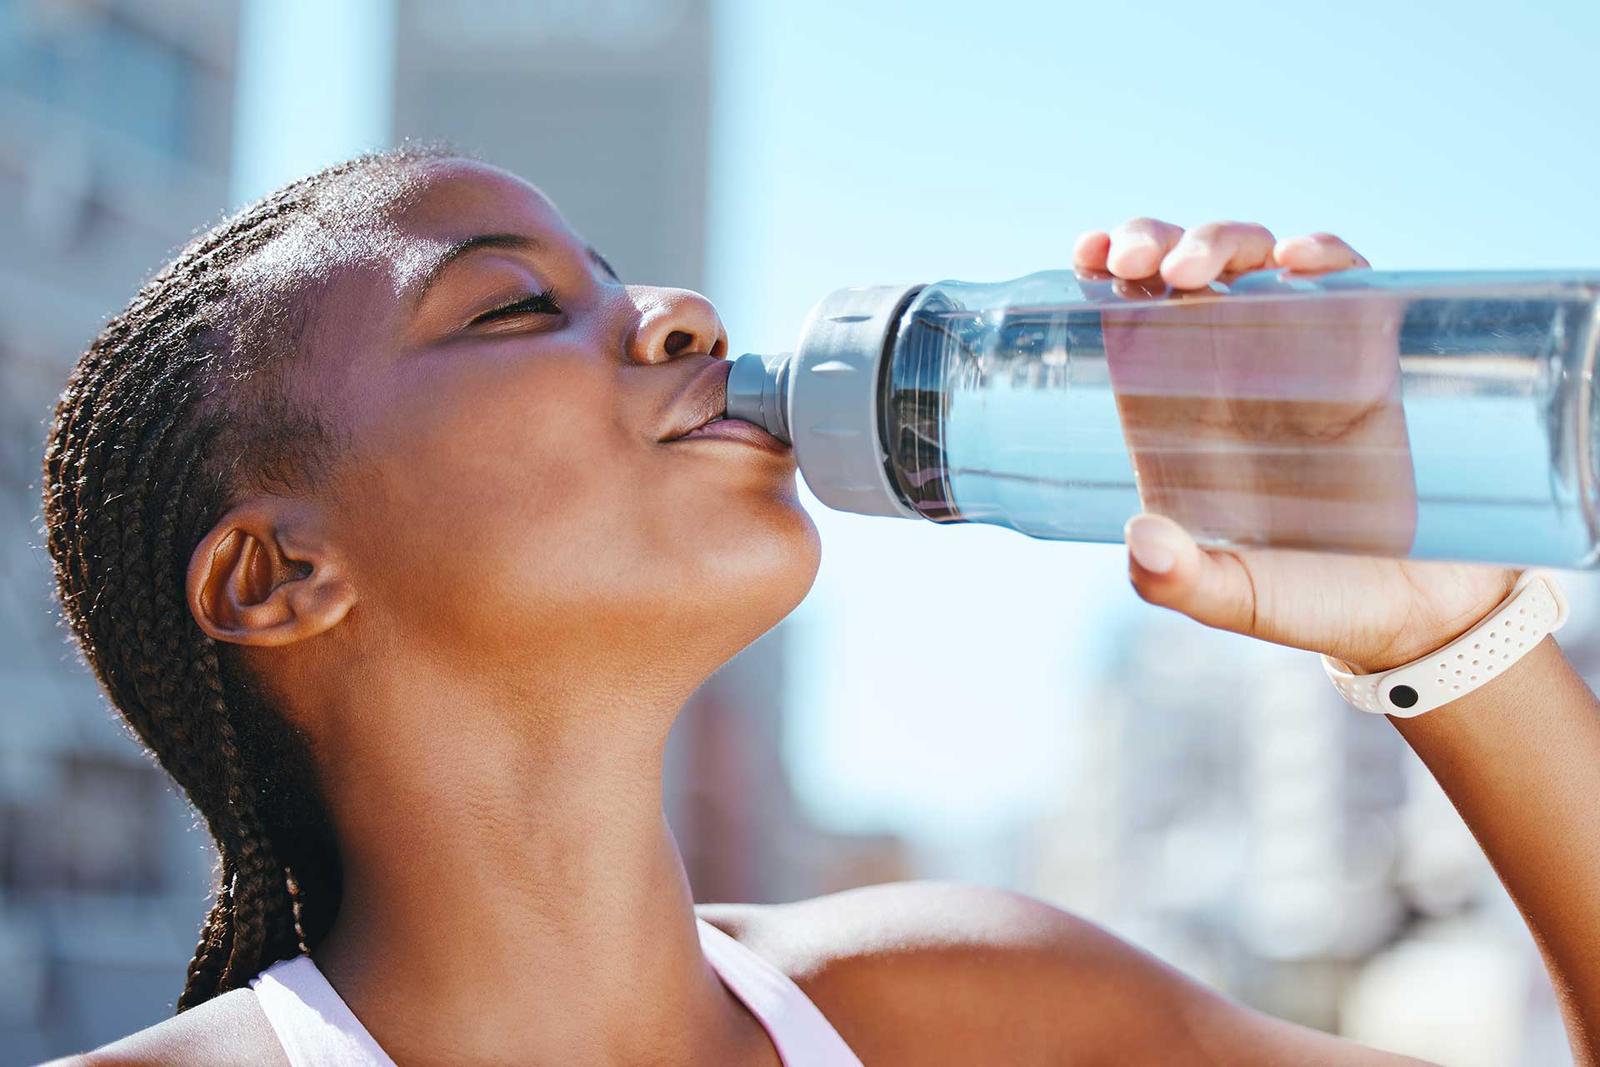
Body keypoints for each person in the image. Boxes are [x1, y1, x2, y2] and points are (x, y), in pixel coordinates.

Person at [39, 150, 1599, 1066]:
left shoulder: (982, 1013)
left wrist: (1448, 641)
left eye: (622, 279)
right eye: (515, 305)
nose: (682, 318)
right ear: (278, 575)